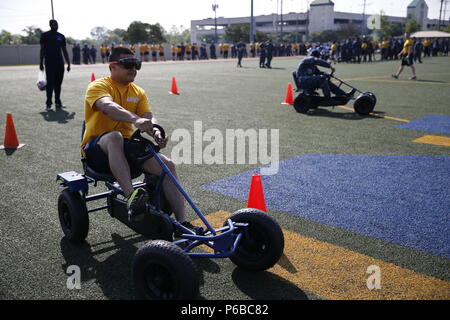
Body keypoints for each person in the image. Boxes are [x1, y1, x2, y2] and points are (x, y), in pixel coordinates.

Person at [81, 47, 195, 231]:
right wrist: (135, 119)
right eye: (128, 64)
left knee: (168, 165)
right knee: (114, 137)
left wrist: (156, 133)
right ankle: (131, 197)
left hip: (126, 147)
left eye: (136, 64)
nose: (133, 69)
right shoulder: (99, 86)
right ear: (113, 66)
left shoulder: (138, 92)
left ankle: (183, 224)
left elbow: (148, 117)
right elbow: (107, 107)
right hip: (96, 151)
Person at [39, 19, 71, 111]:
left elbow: (64, 50)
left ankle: (58, 102)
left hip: (60, 63)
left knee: (58, 84)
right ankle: (48, 104)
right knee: (50, 83)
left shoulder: (61, 36)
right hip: (49, 62)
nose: (56, 26)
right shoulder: (45, 35)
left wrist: (68, 63)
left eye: (57, 24)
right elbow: (42, 50)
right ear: (50, 25)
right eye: (54, 24)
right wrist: (41, 62)